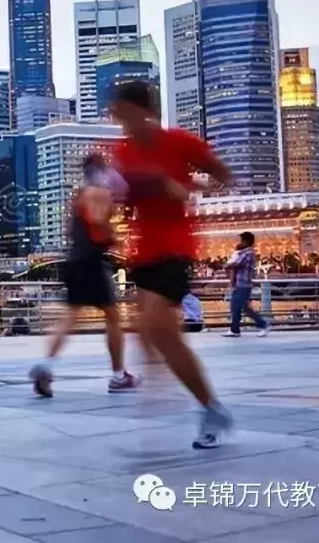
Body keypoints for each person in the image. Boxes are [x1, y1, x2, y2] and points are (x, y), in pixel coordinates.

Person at [109, 80, 234, 449]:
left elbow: (223, 176)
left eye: (121, 110)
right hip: (143, 251)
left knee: (158, 330)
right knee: (155, 334)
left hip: (175, 247)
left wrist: (191, 187)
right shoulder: (123, 151)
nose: (117, 117)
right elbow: (126, 198)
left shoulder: (179, 142)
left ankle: (211, 408)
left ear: (143, 110)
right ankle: (204, 402)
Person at [30, 154, 138, 398]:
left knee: (70, 317)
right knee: (112, 317)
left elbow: (74, 229)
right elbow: (99, 222)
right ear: (101, 171)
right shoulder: (99, 194)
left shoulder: (78, 196)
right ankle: (119, 375)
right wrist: (116, 239)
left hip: (74, 260)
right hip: (92, 262)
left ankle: (46, 365)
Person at [222, 232, 271, 338]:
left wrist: (227, 265)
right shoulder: (243, 252)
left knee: (238, 306)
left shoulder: (249, 253)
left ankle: (263, 324)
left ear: (246, 241)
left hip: (244, 284)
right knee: (240, 307)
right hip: (239, 283)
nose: (240, 242)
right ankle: (235, 330)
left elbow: (237, 263)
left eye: (242, 240)